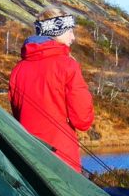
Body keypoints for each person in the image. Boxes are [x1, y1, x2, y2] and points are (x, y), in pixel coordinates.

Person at [8, 11, 94, 172]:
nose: (73, 37)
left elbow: (17, 113)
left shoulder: (18, 69)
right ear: (57, 33)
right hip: (62, 156)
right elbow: (82, 120)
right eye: (69, 31)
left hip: (27, 153)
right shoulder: (68, 65)